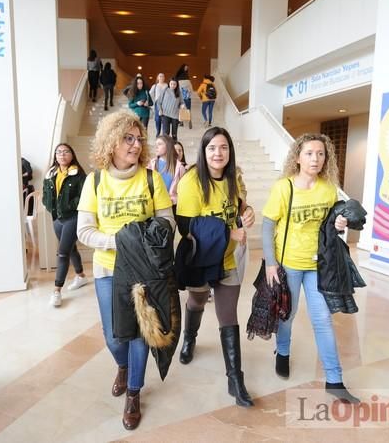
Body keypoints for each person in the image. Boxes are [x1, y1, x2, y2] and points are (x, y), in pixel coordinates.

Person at [77, 110, 174, 430]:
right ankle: (122, 365)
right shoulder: (94, 181)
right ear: (111, 141)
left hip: (144, 270)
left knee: (139, 333)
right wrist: (121, 241)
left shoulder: (152, 178)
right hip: (108, 269)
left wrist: (143, 242)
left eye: (138, 139)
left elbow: (167, 223)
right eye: (127, 138)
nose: (135, 145)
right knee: (114, 335)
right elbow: (84, 231)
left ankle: (134, 391)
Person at [261, 133, 359, 404]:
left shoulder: (328, 188)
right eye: (309, 153)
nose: (315, 159)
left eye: (320, 154)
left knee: (323, 320)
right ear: (297, 157)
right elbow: (268, 225)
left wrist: (338, 224)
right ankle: (282, 352)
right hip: (289, 263)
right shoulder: (284, 187)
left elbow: (329, 224)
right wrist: (271, 263)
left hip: (318, 265)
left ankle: (335, 379)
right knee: (287, 315)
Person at [176, 127, 256, 407]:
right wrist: (227, 232)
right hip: (201, 259)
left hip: (229, 258)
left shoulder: (234, 179)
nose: (218, 153)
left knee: (228, 314)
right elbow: (186, 225)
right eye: (212, 148)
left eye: (223, 147)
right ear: (204, 150)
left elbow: (239, 206)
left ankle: (235, 379)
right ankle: (190, 338)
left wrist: (248, 211)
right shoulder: (191, 181)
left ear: (230, 152)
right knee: (197, 301)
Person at [42, 143, 89, 307]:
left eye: (66, 152)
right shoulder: (50, 174)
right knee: (70, 249)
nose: (62, 155)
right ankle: (81, 276)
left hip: (73, 217)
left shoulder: (79, 174)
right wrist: (49, 206)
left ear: (72, 154)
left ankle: (56, 291)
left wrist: (69, 206)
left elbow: (84, 196)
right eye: (58, 152)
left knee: (62, 253)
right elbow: (45, 194)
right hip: (57, 218)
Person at [147, 135, 186, 213]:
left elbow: (183, 189)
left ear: (168, 146)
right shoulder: (151, 164)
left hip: (172, 206)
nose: (156, 147)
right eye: (156, 144)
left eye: (160, 144)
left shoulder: (179, 167)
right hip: (154, 205)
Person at [175, 64, 193, 129]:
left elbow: (176, 88)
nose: (186, 69)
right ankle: (189, 121)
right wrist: (190, 94)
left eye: (187, 68)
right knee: (188, 109)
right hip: (186, 96)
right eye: (185, 68)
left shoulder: (178, 77)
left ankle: (182, 122)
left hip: (182, 96)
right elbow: (191, 89)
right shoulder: (187, 78)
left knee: (182, 109)